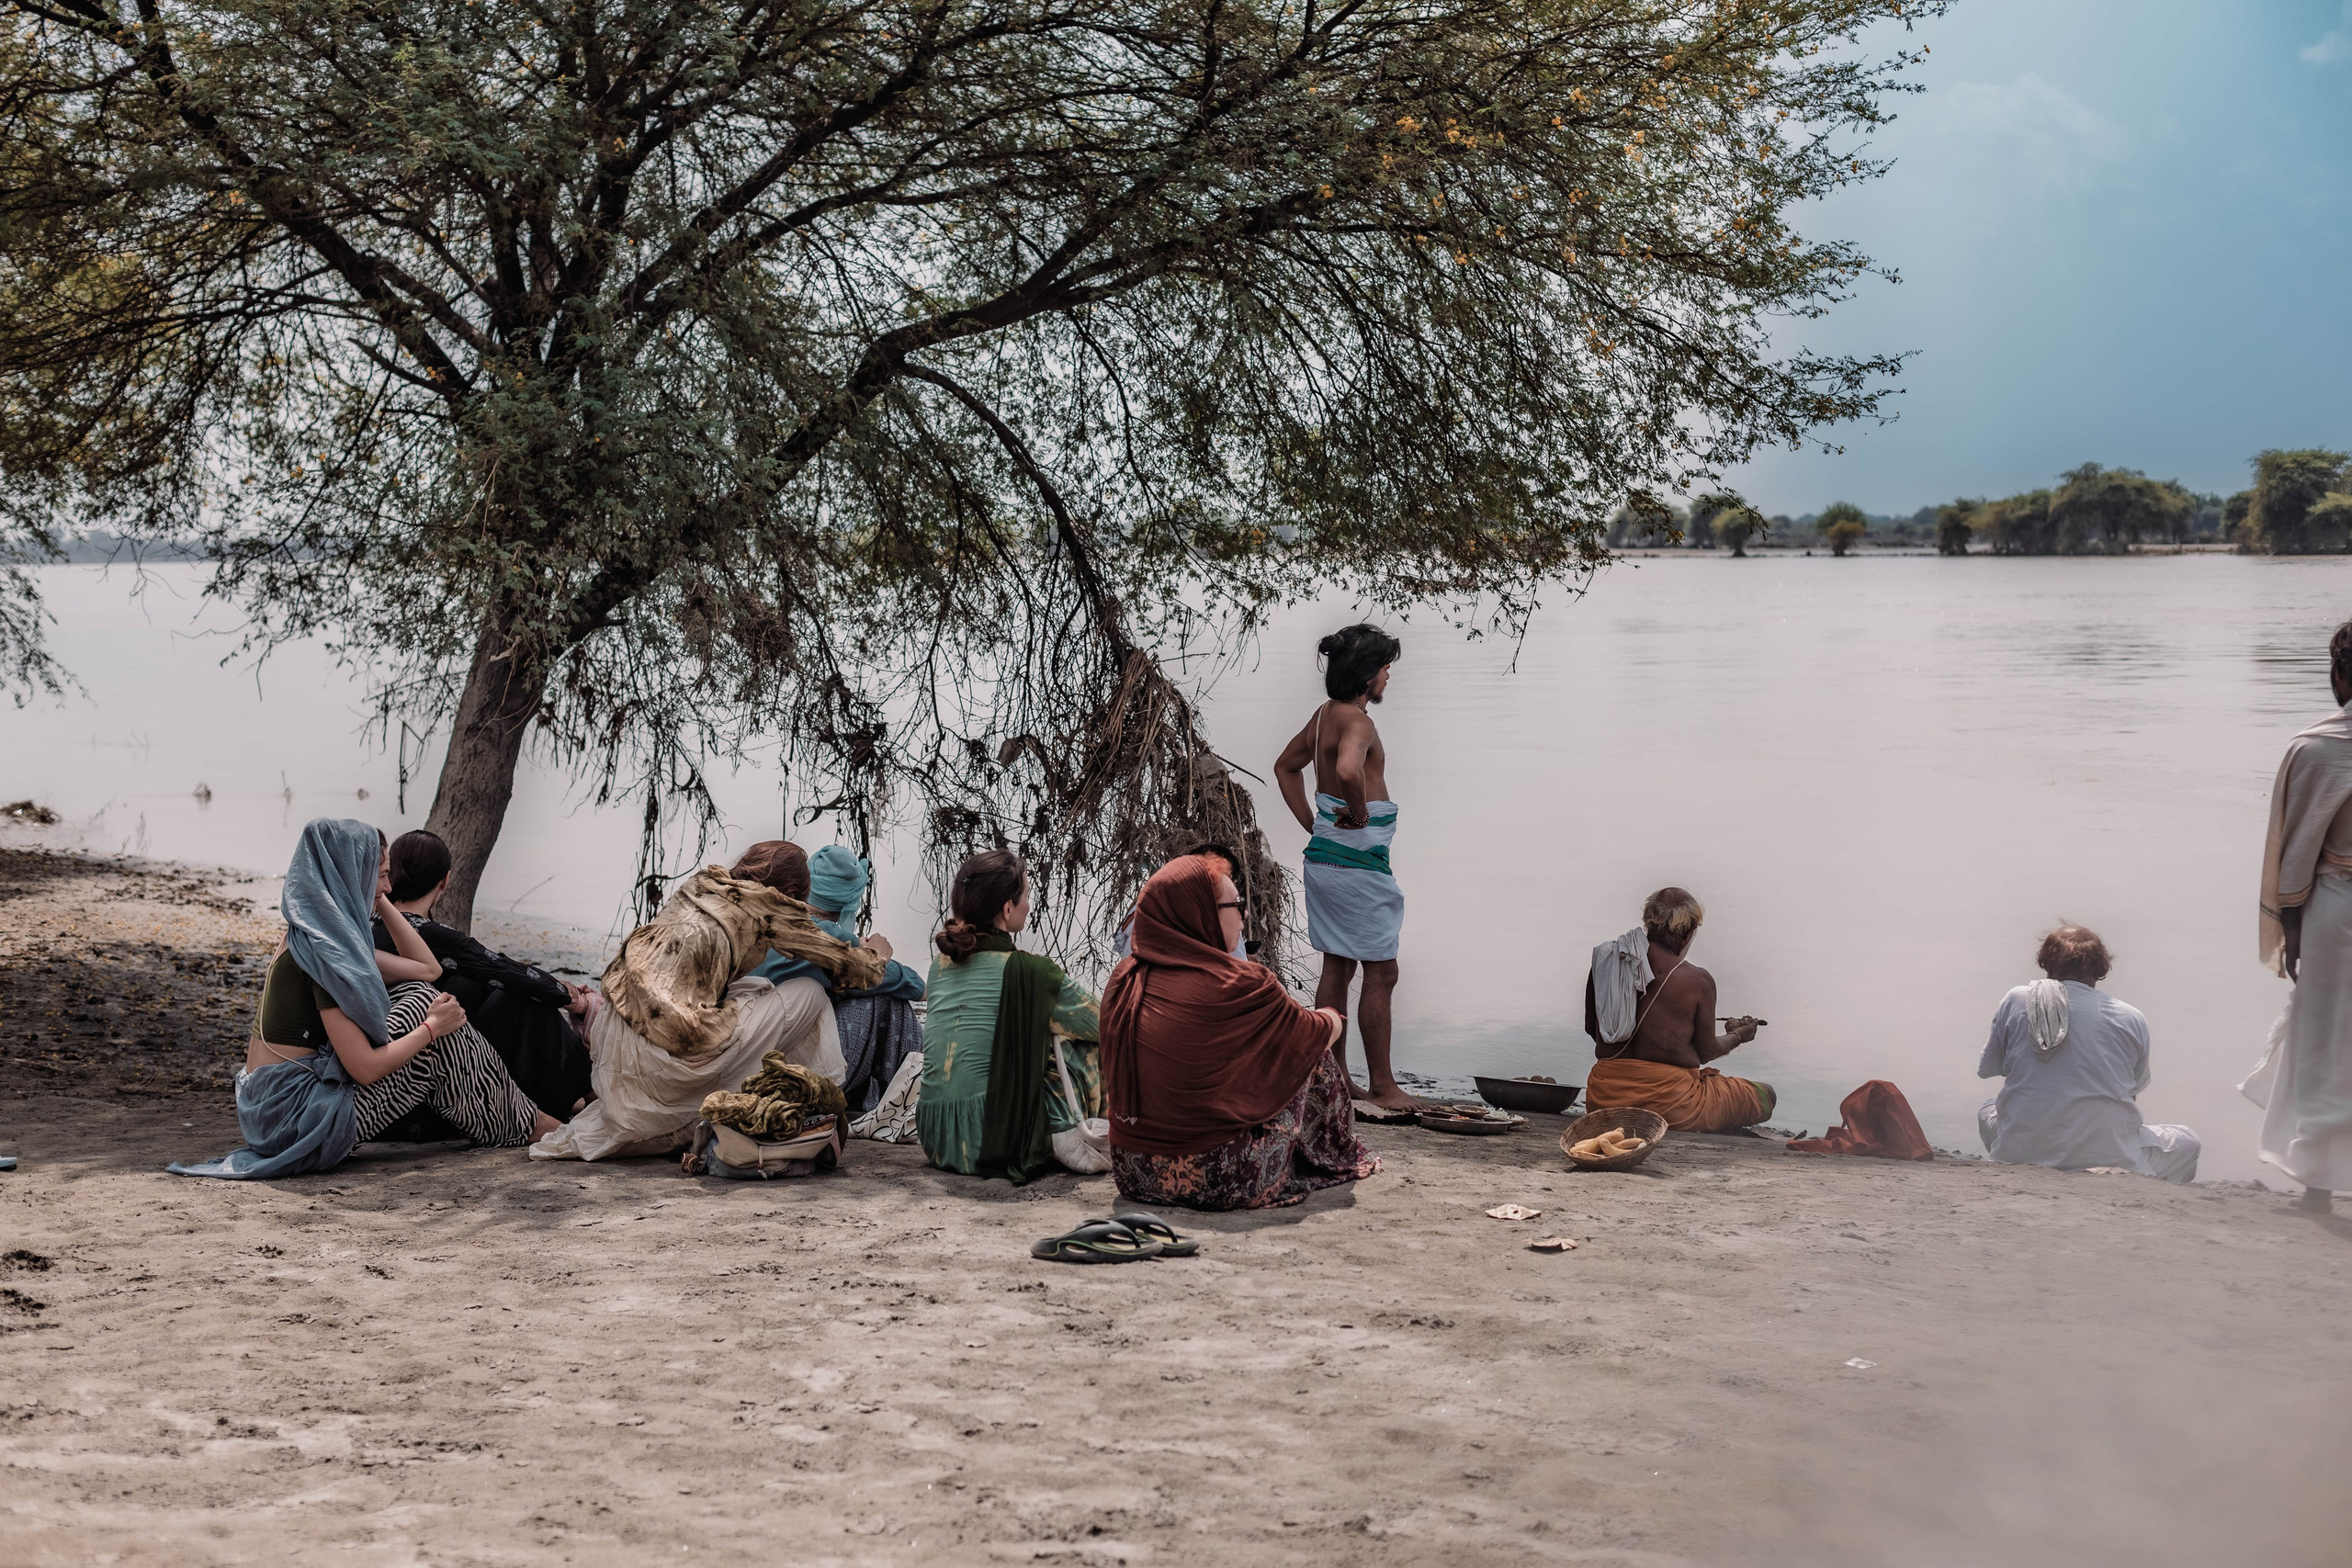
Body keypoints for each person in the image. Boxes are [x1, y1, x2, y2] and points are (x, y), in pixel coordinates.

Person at [169, 818, 557, 1179]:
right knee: (434, 1021)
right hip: (299, 1124)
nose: (389, 887)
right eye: (382, 875)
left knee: (421, 996)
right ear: (354, 875)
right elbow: (365, 1069)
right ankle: (528, 1123)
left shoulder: (313, 935)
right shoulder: (327, 954)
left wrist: (376, 898)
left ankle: (516, 1120)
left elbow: (427, 968)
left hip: (272, 1113)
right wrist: (431, 1029)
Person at [530, 843, 883, 1161]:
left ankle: (774, 1101)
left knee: (756, 985)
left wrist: (770, 937)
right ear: (788, 894)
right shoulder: (771, 908)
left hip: (621, 1036)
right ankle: (807, 1109)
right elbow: (856, 970)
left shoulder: (703, 884)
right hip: (669, 1052)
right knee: (810, 993)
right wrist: (878, 953)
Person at [1101, 855, 1378, 1210]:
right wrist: (1333, 1016)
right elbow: (1316, 1032)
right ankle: (1330, 1153)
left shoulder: (1123, 979)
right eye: (1235, 905)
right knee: (1310, 1050)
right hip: (1219, 1179)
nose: (1244, 915)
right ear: (1201, 912)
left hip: (1133, 1173)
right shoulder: (1243, 983)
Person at [1273, 623, 1413, 1111]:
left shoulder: (1321, 717)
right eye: (1385, 668)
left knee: (1337, 964)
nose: (1389, 676)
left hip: (1327, 858)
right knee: (1382, 971)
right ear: (1366, 675)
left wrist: (1314, 824)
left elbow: (1284, 766)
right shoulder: (1358, 722)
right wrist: (1354, 812)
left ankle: (1332, 1082)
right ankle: (1383, 1087)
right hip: (1358, 864)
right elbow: (1351, 770)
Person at [368, 829, 595, 1124]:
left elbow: (493, 970)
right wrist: (569, 997)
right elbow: (500, 968)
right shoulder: (427, 934)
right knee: (524, 997)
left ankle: (578, 1095)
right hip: (424, 1077)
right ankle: (591, 1094)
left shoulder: (370, 924)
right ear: (445, 881)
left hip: (400, 1065)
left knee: (484, 985)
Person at [916, 850, 1106, 1182]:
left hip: (936, 1137)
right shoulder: (1033, 973)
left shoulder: (938, 967)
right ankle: (1089, 1132)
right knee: (1083, 1043)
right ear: (1007, 908)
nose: (1029, 905)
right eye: (1027, 896)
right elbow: (1107, 1023)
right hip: (993, 1140)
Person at [2250, 619, 2352, 1213]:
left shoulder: (2315, 746)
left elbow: (2297, 854)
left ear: (2339, 673)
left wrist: (2291, 929)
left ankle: (2316, 1181)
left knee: (2323, 1038)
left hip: (2336, 909)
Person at [1977, 924, 2199, 1183]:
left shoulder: (2017, 999)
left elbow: (1991, 1067)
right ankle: (2157, 1194)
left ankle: (2013, 1159)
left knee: (1987, 1109)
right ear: (2101, 968)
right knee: (2189, 1141)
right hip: (2110, 1155)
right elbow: (2131, 1091)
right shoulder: (2130, 1016)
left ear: (2046, 963)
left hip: (2019, 1152)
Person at [739, 841, 925, 1116]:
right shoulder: (819, 936)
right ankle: (908, 1103)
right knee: (881, 997)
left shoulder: (752, 922)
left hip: (745, 1055)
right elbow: (894, 980)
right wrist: (876, 956)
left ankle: (895, 1103)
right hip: (789, 1072)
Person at [1582, 887, 1774, 1133]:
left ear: (1648, 922)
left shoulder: (1607, 963)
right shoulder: (1697, 980)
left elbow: (1592, 1029)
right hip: (1670, 1107)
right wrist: (1739, 1036)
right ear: (1690, 932)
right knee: (1766, 1094)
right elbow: (1706, 1052)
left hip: (1603, 1101)